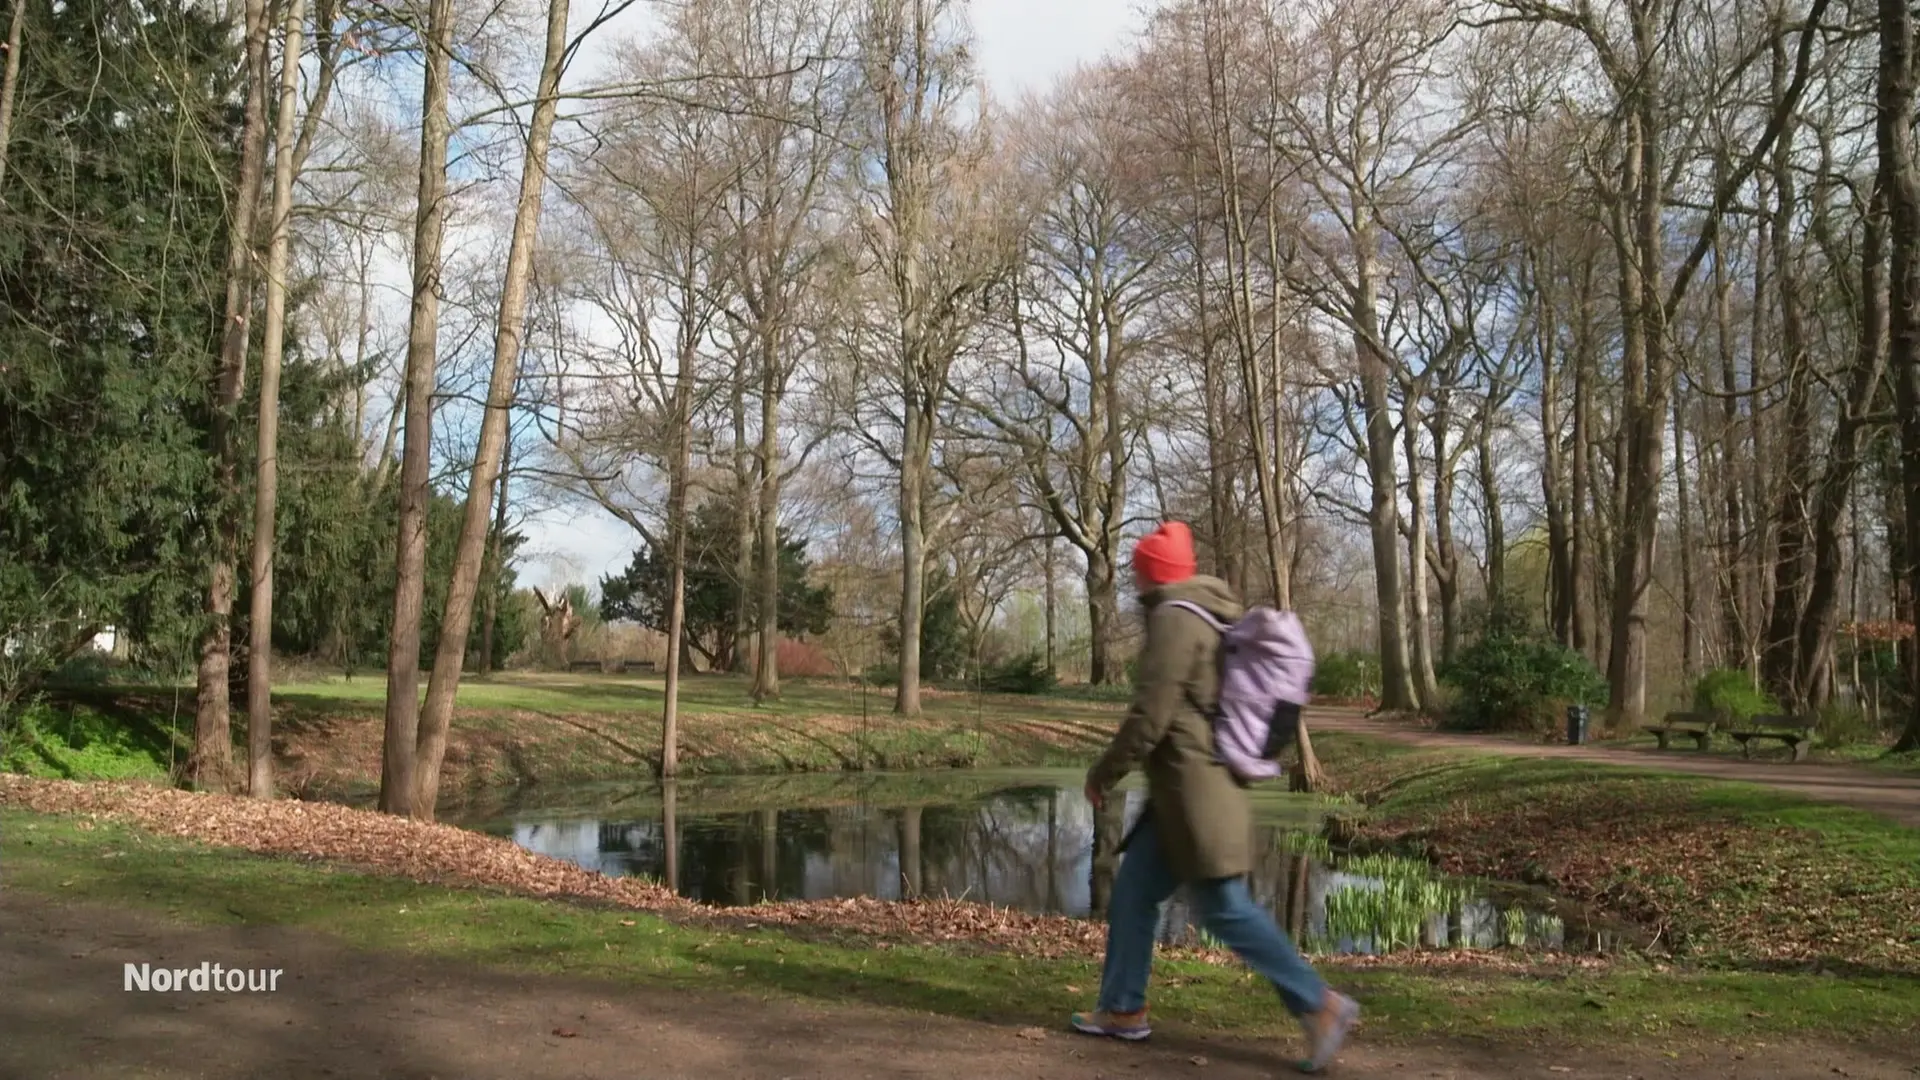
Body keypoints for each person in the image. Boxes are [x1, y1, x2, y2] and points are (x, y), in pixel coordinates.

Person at [1069, 521, 1360, 1074]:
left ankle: (1319, 1002)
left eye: (1138, 569)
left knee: (1225, 908)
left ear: (1153, 572)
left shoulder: (1176, 618)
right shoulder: (1203, 610)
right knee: (1132, 893)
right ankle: (1123, 1009)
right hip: (1181, 795)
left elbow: (1150, 716)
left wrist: (1102, 774)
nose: (1134, 578)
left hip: (1197, 793)